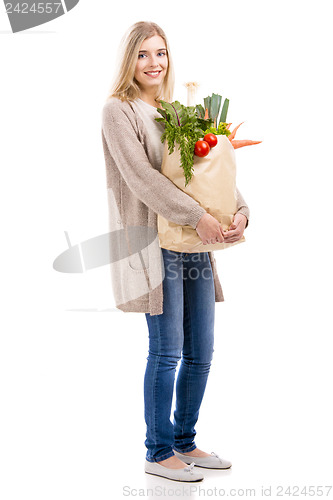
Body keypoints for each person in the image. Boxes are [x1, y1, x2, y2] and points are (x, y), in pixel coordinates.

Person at [101, 21, 249, 482]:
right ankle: (158, 449)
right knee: (166, 351)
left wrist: (240, 210)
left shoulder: (177, 110)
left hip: (193, 243)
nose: (153, 63)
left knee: (200, 352)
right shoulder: (117, 111)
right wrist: (197, 217)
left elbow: (209, 169)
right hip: (154, 243)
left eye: (160, 53)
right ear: (130, 60)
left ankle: (185, 441)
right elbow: (142, 179)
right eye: (143, 55)